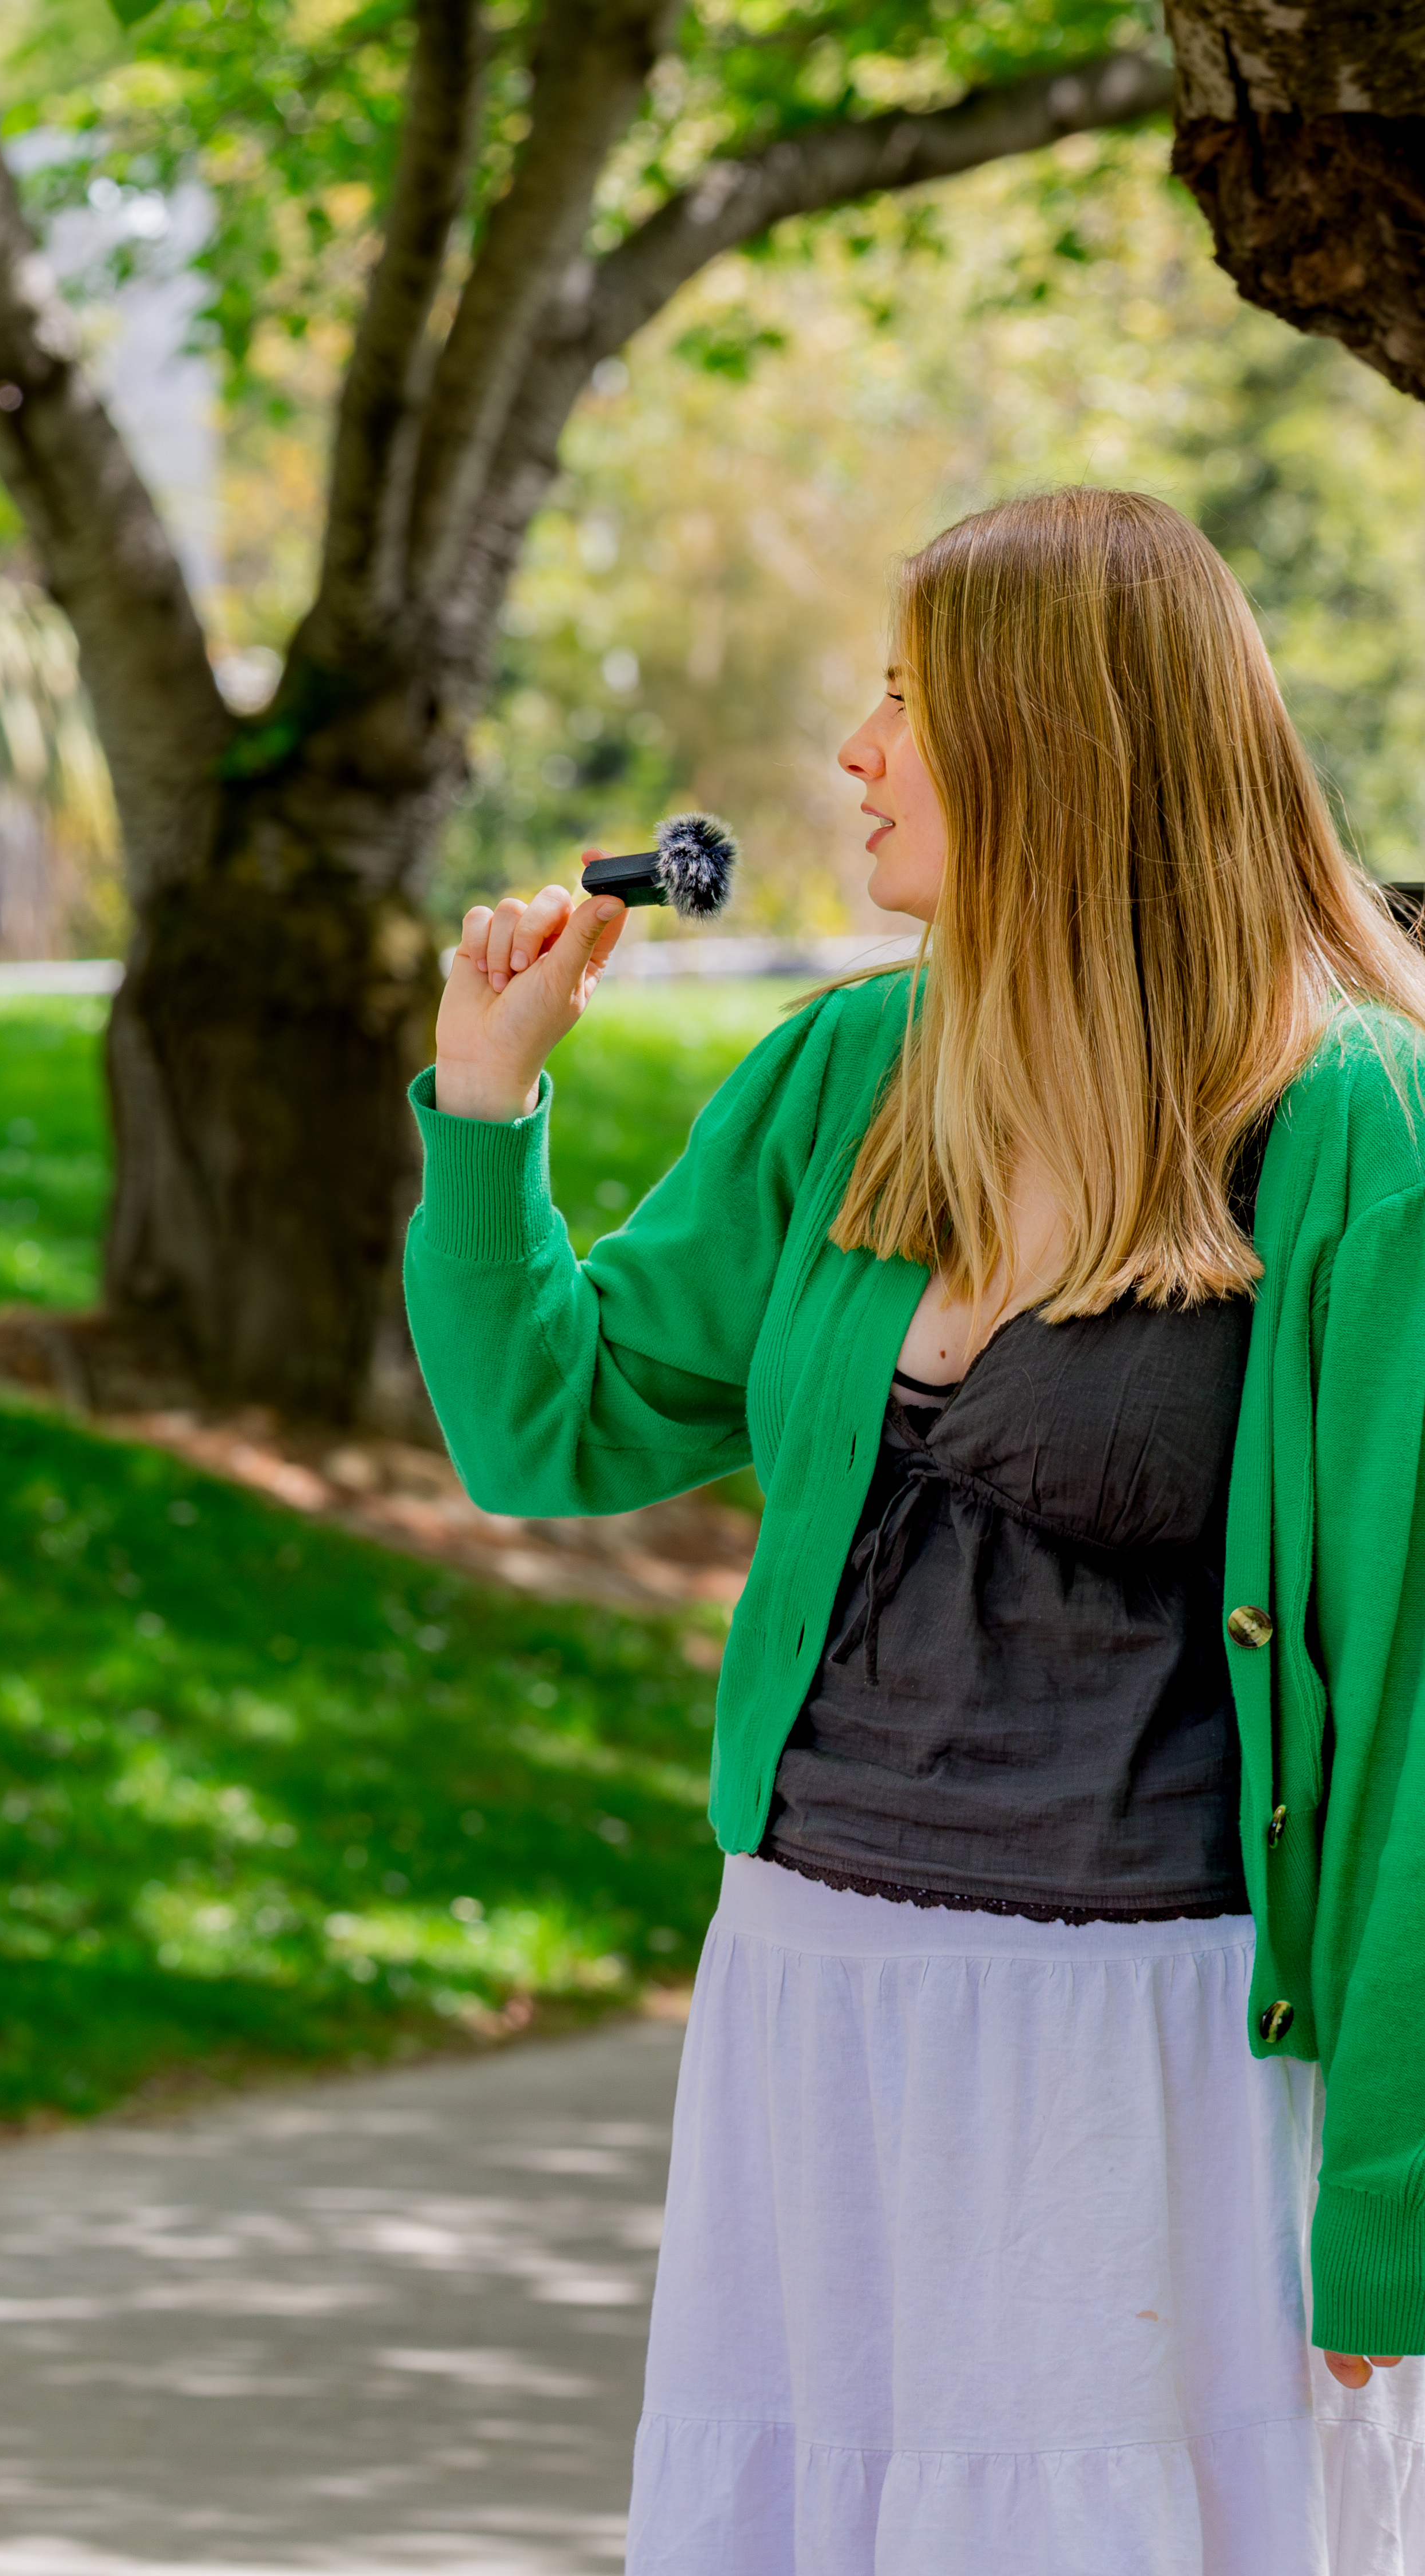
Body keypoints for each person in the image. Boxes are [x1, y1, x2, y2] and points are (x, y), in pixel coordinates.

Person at [411, 486, 1425, 2573]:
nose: (858, 756)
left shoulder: (1345, 1127)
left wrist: (1394, 2205)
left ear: (1062, 747)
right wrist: (490, 1113)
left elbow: (1411, 1704)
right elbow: (551, 1424)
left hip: (1163, 2045)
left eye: (906, 702)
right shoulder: (848, 1075)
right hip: (818, 1992)